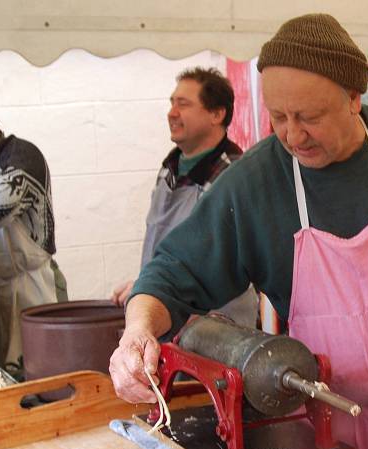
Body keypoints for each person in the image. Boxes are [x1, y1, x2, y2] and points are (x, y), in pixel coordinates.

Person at [108, 14, 368, 449]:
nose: (293, 135)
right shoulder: (254, 184)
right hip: (335, 436)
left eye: (310, 117)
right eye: (278, 117)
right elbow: (168, 276)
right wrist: (136, 333)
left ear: (354, 98)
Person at [110, 67, 258, 329]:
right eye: (171, 103)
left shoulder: (235, 174)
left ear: (217, 114)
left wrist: (159, 292)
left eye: (183, 104)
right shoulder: (170, 168)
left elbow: (220, 256)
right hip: (169, 316)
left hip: (219, 327)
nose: (172, 113)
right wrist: (147, 285)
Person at [0, 123, 67, 370]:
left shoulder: (21, 156)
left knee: (44, 383)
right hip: (0, 291)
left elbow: (0, 208)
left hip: (33, 288)